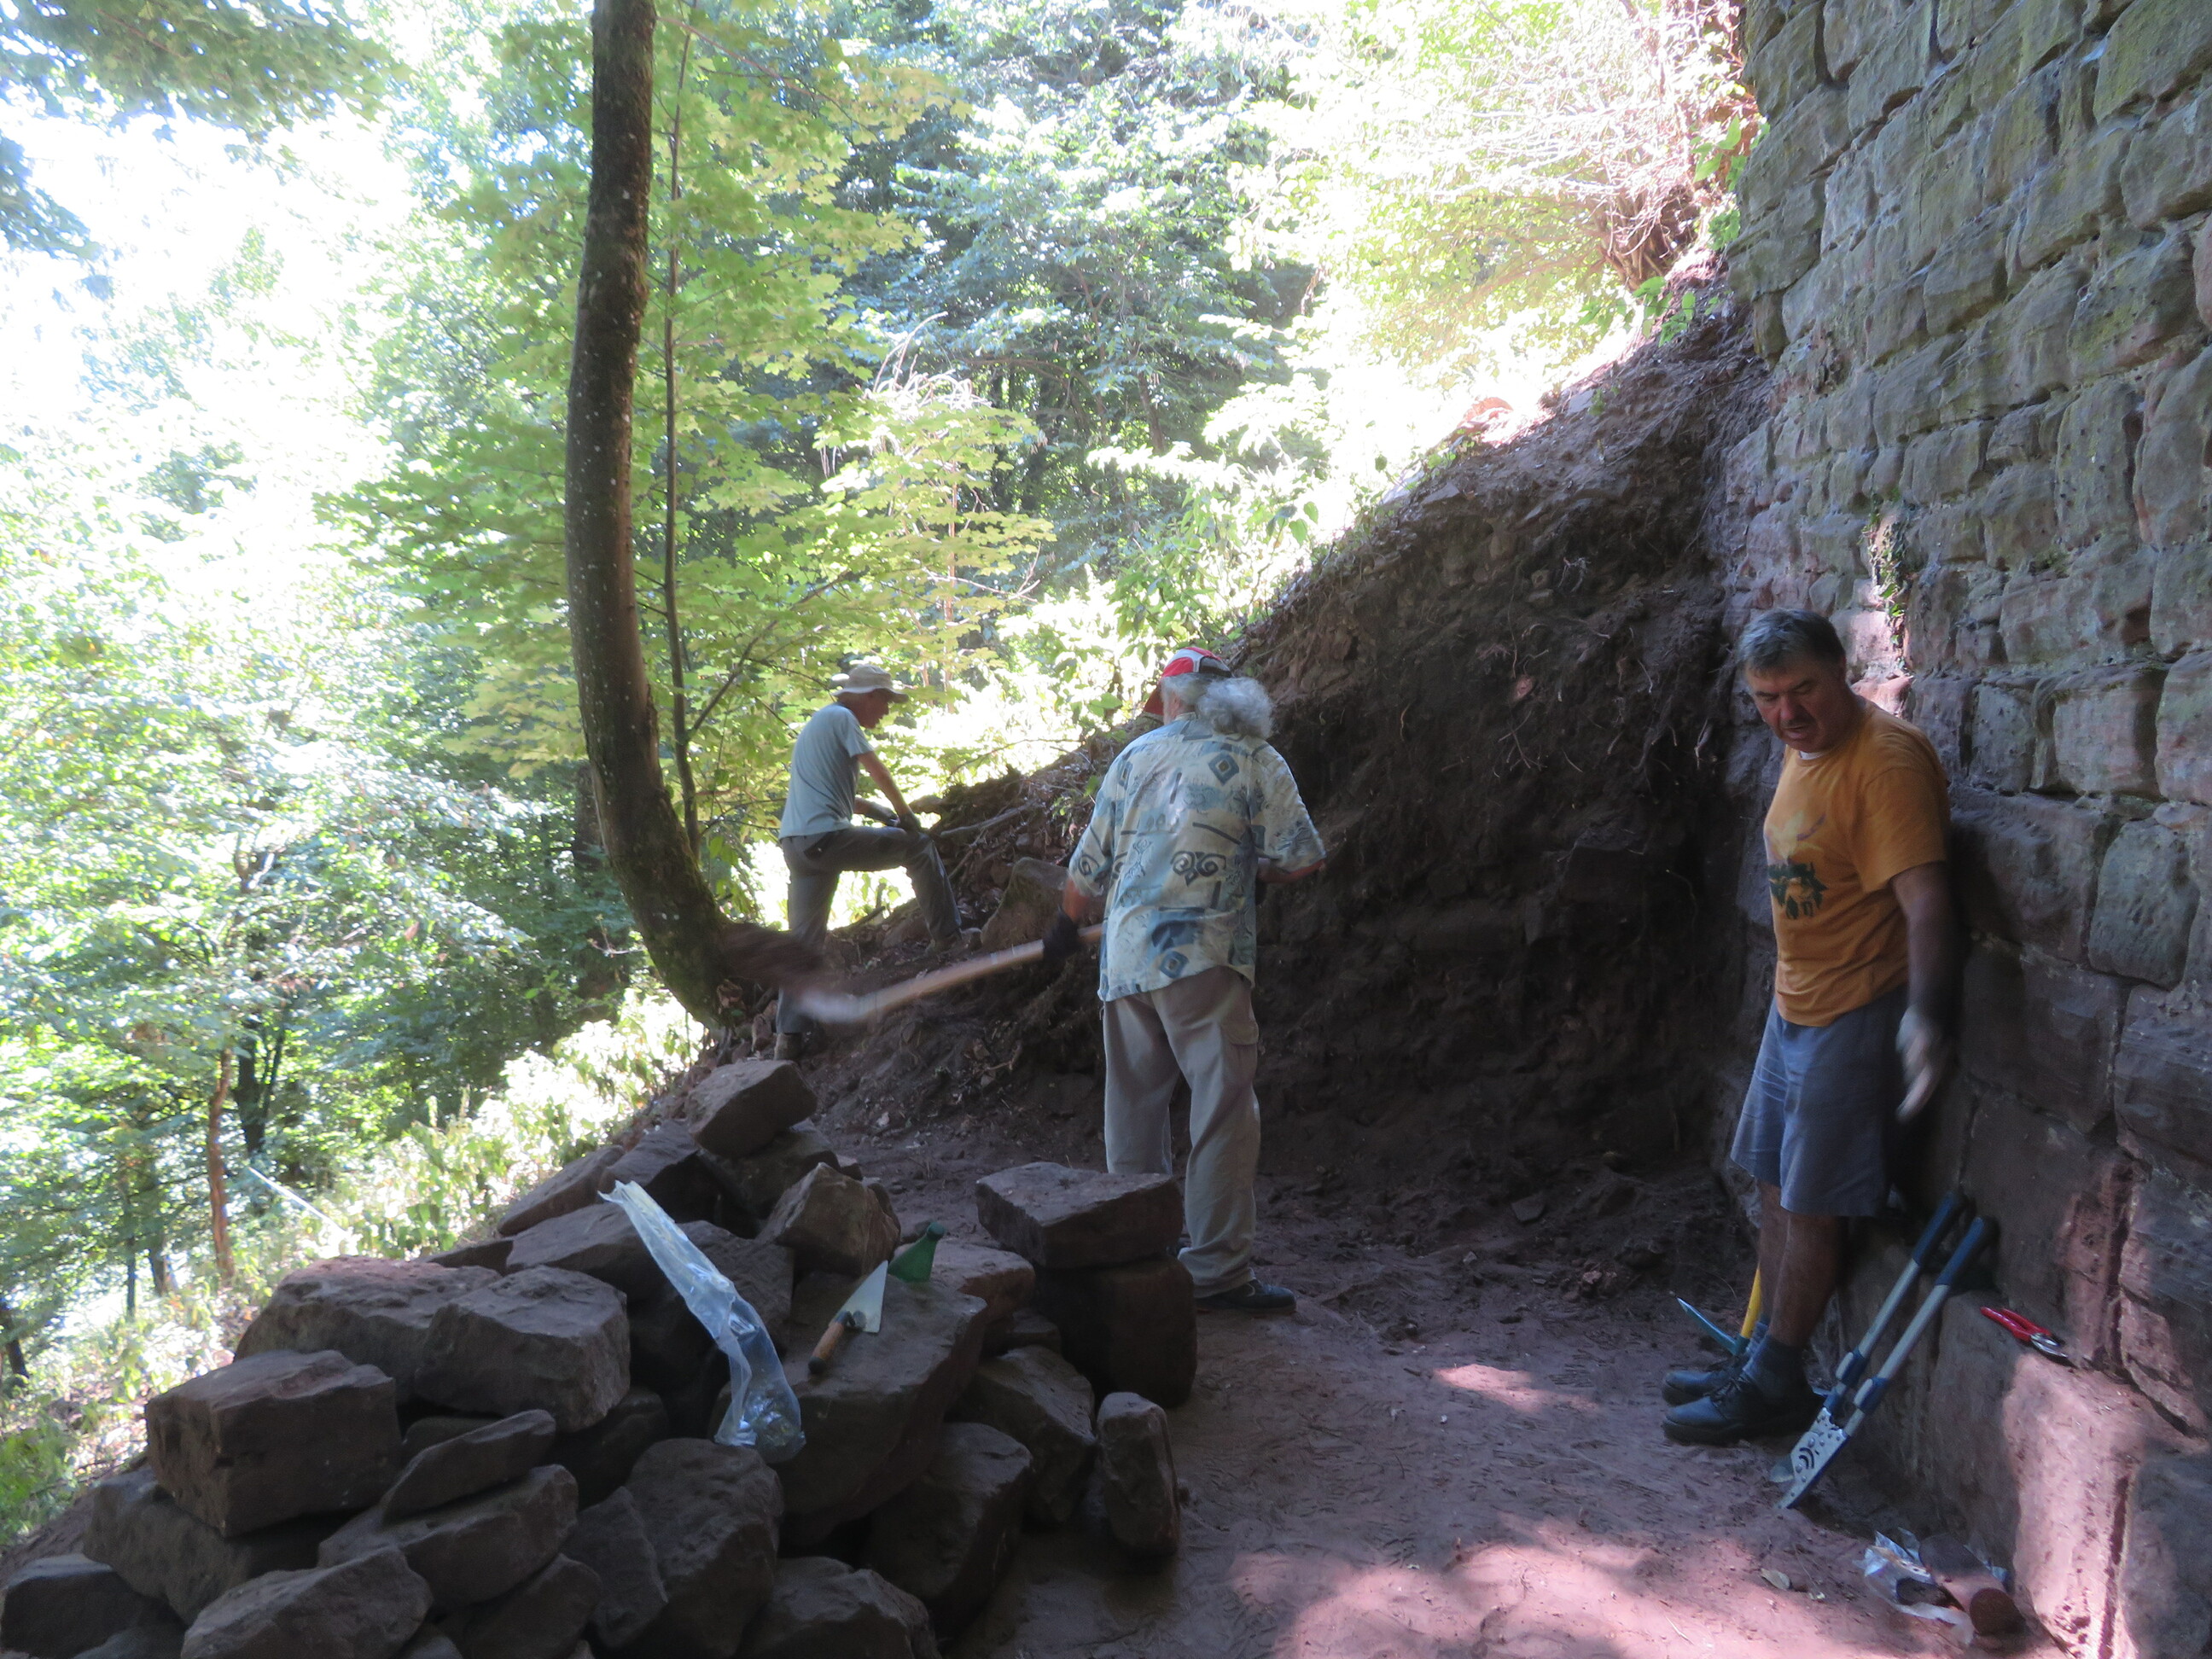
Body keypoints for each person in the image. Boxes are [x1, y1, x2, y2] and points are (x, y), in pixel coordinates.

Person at [1662, 609, 1958, 1444]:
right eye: (1766, 698)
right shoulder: (1808, 745)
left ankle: (1777, 1382)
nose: (1786, 714)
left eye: (1802, 691)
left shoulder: (1884, 763)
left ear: (1840, 670)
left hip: (1856, 1010)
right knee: (1772, 1181)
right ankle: (1756, 1355)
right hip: (1795, 1003)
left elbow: (1928, 901)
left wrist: (1928, 1017)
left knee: (1813, 1203)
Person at [1044, 647, 1326, 1313]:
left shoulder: (1134, 757)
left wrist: (1065, 924)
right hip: (1205, 955)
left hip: (1127, 958)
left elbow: (1087, 867)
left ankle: (1134, 1257)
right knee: (1223, 1110)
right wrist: (1251, 868)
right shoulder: (1255, 757)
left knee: (1133, 1110)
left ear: (1173, 700)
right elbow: (1302, 859)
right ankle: (1216, 1275)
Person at [774, 664, 962, 1059]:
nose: (888, 710)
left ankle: (788, 1039)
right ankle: (949, 938)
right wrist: (906, 816)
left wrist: (883, 816)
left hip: (798, 846)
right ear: (869, 695)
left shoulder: (819, 725)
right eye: (886, 701)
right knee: (918, 847)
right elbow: (877, 770)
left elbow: (846, 798)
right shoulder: (843, 718)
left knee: (802, 942)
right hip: (826, 839)